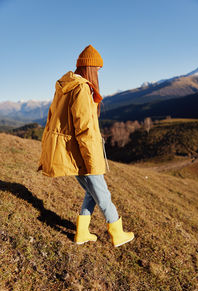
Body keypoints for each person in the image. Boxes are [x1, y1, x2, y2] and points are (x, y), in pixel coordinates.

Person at [38, 45, 134, 247]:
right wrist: (92, 160)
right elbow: (85, 129)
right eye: (98, 69)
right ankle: (117, 233)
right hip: (81, 152)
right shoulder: (81, 88)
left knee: (92, 191)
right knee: (103, 193)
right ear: (90, 68)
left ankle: (82, 233)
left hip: (70, 150)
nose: (99, 73)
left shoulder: (66, 86)